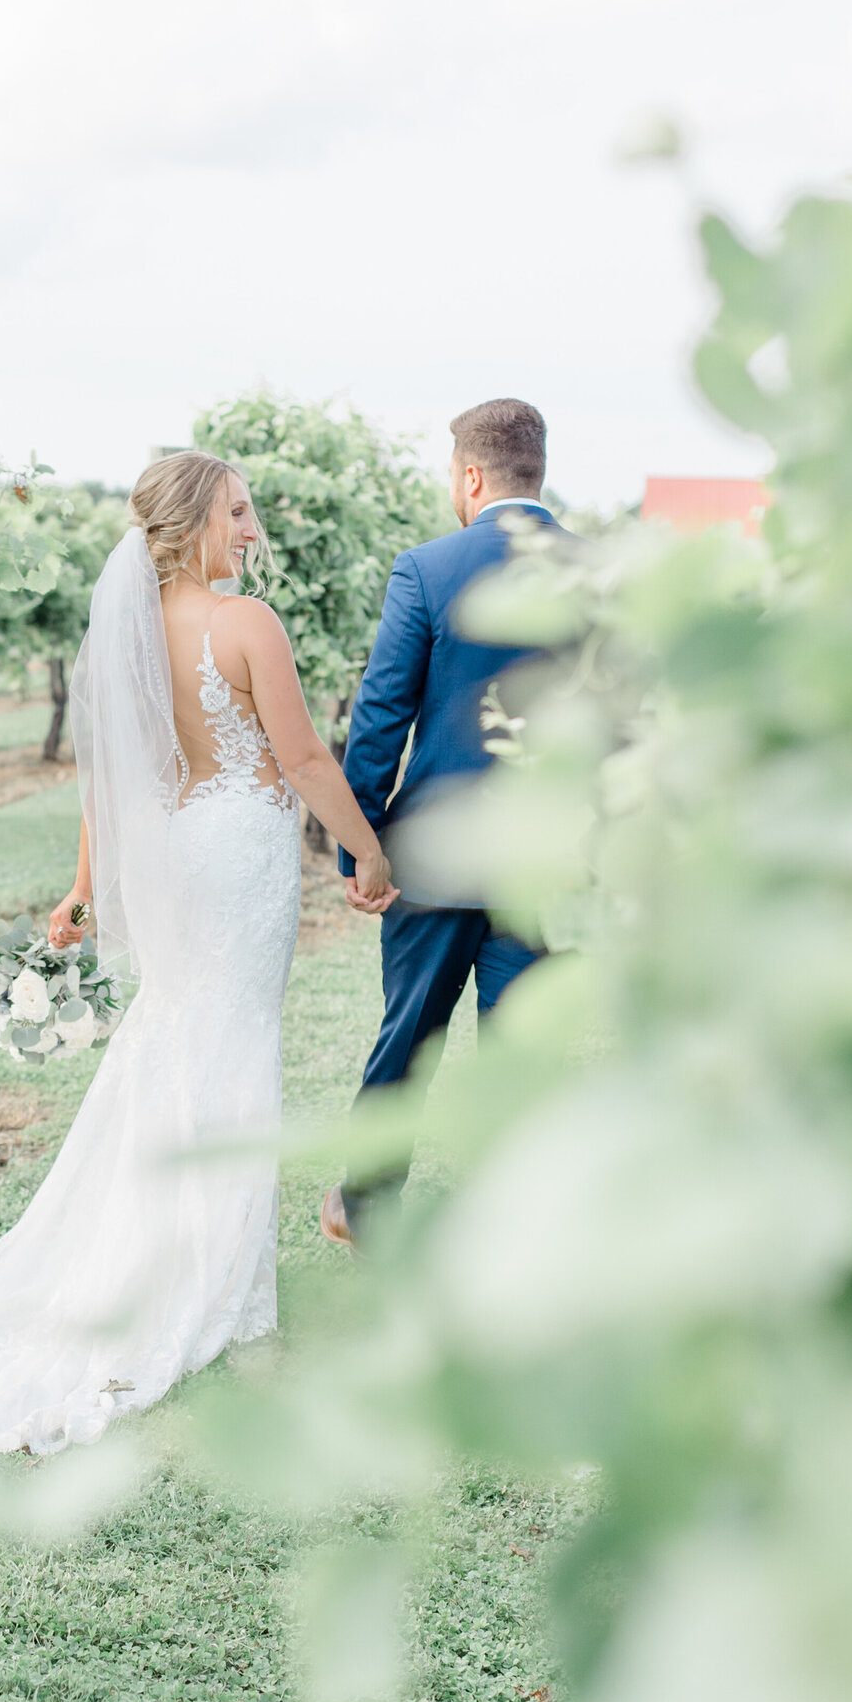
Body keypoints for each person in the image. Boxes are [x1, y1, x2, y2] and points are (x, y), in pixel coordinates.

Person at [0, 451, 395, 1455]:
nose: (253, 531)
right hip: (238, 855)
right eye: (239, 512)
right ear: (194, 523)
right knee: (229, 1041)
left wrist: (85, 885)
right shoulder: (245, 624)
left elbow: (111, 783)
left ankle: (166, 1263)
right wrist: (366, 848)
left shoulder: (130, 638)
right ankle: (216, 1292)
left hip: (175, 853)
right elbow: (303, 757)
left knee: (177, 1036)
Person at [320, 397, 565, 1249]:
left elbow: (381, 715)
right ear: (537, 470)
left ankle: (366, 1205)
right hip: (545, 857)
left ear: (470, 475)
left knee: (410, 1036)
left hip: (432, 855)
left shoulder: (427, 567)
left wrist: (363, 843)